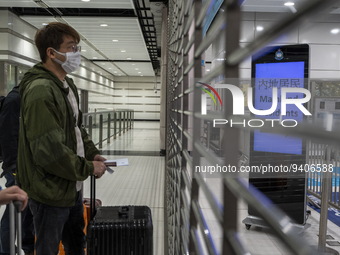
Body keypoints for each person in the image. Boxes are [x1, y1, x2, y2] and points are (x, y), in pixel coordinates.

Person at [17, 22, 107, 255]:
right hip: (50, 190)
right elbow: (49, 151)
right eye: (71, 47)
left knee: (76, 243)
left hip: (70, 186)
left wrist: (92, 153)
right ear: (51, 52)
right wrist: (88, 167)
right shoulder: (41, 90)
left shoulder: (66, 85)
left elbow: (76, 129)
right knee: (48, 248)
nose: (76, 54)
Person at [0, 86, 35, 255]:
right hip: (15, 167)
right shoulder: (14, 100)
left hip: (25, 165)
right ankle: (6, 249)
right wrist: (13, 167)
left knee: (25, 209)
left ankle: (26, 247)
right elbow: (7, 136)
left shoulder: (24, 99)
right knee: (13, 210)